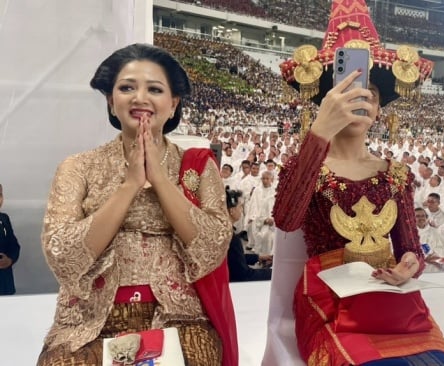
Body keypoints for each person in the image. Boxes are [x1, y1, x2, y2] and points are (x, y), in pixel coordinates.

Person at [264, 1, 444, 364]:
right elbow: (286, 219)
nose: (360, 98)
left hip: (394, 303)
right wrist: (320, 132)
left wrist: (406, 268)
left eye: (369, 92)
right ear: (325, 103)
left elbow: (410, 247)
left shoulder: (396, 173)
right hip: (330, 302)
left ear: (380, 110)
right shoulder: (305, 167)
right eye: (347, 89)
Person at [37, 44, 235, 366]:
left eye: (154, 89)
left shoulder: (196, 167)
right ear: (111, 101)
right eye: (127, 87)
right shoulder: (78, 167)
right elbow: (62, 255)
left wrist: (160, 180)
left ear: (173, 104)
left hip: (179, 318)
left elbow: (213, 247)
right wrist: (129, 185)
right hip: (88, 322)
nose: (139, 97)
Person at [225, 188, 272, 282]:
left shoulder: (224, 231)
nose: (242, 210)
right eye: (240, 206)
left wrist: (257, 257)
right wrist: (271, 273)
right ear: (232, 210)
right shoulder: (231, 237)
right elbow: (243, 274)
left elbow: (234, 259)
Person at [0, 184, 20, 295]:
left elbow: (14, 246)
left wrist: (10, 260)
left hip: (5, 284)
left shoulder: (4, 219)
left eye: (0, 195)